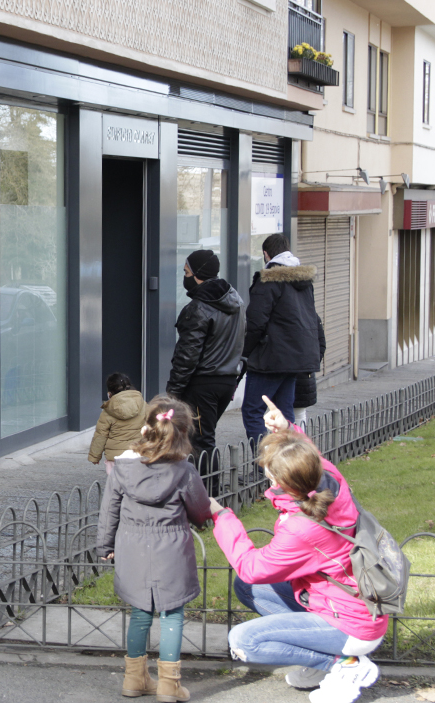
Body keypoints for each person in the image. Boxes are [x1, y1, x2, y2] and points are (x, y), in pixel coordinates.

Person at [210, 397, 385, 703]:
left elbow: (252, 566)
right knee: (249, 588)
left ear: (278, 480)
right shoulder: (328, 480)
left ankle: (342, 665)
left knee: (244, 640)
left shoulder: (302, 527)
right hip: (352, 602)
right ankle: (324, 658)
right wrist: (286, 430)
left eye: (268, 470)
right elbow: (310, 456)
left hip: (351, 622)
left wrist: (221, 516)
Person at [95, 395, 212, 702]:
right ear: (182, 434)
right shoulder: (184, 471)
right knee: (172, 615)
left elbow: (109, 511)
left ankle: (134, 680)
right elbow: (200, 512)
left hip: (133, 548)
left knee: (140, 614)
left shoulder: (122, 468)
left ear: (145, 429)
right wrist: (204, 520)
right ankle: (169, 685)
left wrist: (105, 546)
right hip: (171, 550)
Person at [242, 233, 326, 445]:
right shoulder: (303, 282)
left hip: (270, 359)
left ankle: (264, 468)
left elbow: (255, 322)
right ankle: (288, 466)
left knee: (253, 411)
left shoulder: (268, 280)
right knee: (284, 411)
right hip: (296, 359)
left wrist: (244, 352)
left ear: (266, 254)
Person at [166, 249, 246, 472]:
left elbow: (187, 356)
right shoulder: (236, 301)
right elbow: (242, 339)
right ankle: (205, 494)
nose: (184, 277)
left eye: (186, 272)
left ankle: (208, 496)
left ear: (197, 274)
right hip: (227, 379)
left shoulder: (198, 308)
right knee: (203, 438)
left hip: (203, 384)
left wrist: (173, 393)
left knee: (200, 442)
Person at [88, 372, 146, 475]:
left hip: (115, 458)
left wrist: (95, 456)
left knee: (115, 486)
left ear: (110, 393)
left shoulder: (108, 411)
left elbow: (101, 435)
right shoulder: (143, 404)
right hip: (138, 454)